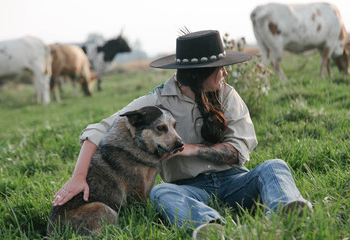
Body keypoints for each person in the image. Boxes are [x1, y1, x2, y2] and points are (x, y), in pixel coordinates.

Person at [52, 30, 312, 239]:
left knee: (275, 166)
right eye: (219, 68)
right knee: (161, 194)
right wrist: (78, 178)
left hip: (236, 182)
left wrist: (190, 148)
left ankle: (287, 212)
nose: (225, 73)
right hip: (188, 190)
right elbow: (98, 129)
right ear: (200, 73)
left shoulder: (228, 95)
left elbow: (238, 152)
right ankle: (211, 228)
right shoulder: (155, 101)